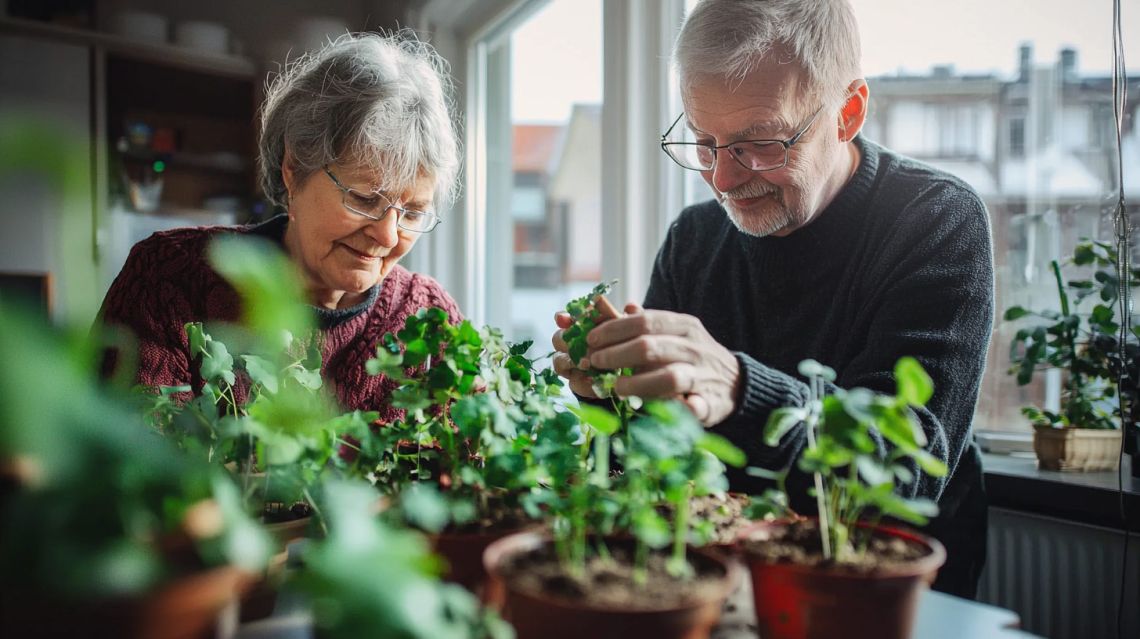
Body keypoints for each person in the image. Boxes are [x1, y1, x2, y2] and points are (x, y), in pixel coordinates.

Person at [552, 0, 993, 598]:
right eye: (703, 142)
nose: (723, 180)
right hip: (724, 574)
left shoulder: (935, 220)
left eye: (759, 143)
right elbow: (655, 453)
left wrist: (740, 390)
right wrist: (611, 392)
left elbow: (905, 469)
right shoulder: (694, 240)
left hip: (884, 586)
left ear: (848, 113)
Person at [99, 31, 461, 424]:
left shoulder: (429, 320)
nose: (388, 236)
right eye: (364, 198)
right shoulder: (167, 279)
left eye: (412, 213)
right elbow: (120, 449)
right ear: (294, 169)